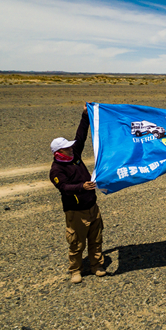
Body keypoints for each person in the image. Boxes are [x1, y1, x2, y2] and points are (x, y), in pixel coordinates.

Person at [49, 106, 105, 284]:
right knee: (76, 243)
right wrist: (82, 186)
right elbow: (64, 188)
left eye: (70, 146)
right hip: (76, 212)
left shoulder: (75, 155)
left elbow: (81, 136)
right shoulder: (56, 170)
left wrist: (85, 115)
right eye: (67, 148)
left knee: (96, 239)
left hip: (92, 207)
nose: (71, 148)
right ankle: (75, 270)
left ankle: (96, 266)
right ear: (59, 152)